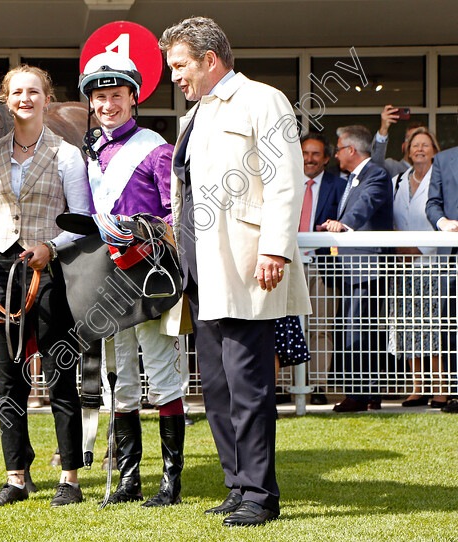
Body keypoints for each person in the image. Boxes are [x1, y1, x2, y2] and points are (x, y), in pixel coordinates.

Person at [161, 17, 311, 526]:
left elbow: (286, 183)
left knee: (248, 386)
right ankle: (236, 483)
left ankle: (259, 495)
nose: (175, 77)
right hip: (199, 269)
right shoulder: (193, 117)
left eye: (180, 66)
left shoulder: (262, 100)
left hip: (247, 263)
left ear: (209, 59)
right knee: (219, 387)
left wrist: (275, 249)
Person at [0, 65, 90, 507]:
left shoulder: (67, 155)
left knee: (59, 374)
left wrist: (51, 246)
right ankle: (16, 477)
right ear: (7, 100)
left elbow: (82, 223)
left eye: (33, 92)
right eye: (17, 92)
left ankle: (69, 477)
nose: (25, 99)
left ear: (46, 99)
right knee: (8, 378)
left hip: (48, 270)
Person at [77, 52, 186, 507]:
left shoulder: (156, 148)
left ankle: (170, 483)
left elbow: (175, 216)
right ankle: (128, 480)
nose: (107, 104)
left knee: (162, 376)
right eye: (99, 97)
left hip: (149, 277)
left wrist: (143, 233)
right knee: (117, 378)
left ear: (133, 98)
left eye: (115, 95)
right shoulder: (91, 150)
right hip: (108, 277)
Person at [323, 125, 393, 413]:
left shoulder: (375, 174)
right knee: (355, 329)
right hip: (352, 269)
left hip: (367, 267)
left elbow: (365, 205)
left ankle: (360, 395)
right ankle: (366, 393)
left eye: (338, 148)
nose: (336, 154)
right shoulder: (352, 177)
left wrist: (344, 223)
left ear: (351, 150)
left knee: (359, 332)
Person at [392, 127, 448, 409]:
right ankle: (417, 388)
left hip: (432, 264)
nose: (420, 149)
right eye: (415, 145)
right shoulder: (399, 180)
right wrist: (400, 249)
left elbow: (442, 215)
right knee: (408, 327)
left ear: (435, 151)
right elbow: (391, 217)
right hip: (403, 267)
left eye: (426, 145)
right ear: (408, 150)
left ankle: (439, 389)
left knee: (434, 328)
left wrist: (418, 249)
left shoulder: (440, 179)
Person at [300, 133, 345, 405]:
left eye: (316, 154)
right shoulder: (285, 184)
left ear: (326, 158)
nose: (309, 159)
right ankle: (285, 385)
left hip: (323, 266)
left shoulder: (339, 185)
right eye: (305, 153)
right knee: (287, 327)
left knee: (320, 328)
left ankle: (317, 386)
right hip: (289, 265)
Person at [425, 120, 458, 415]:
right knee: (453, 327)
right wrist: (442, 222)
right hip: (453, 258)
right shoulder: (444, 159)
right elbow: (433, 204)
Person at [372, 105, 423, 182]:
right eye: (411, 139)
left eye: (423, 143)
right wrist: (383, 129)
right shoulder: (392, 167)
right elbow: (375, 166)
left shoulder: (432, 171)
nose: (418, 147)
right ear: (403, 146)